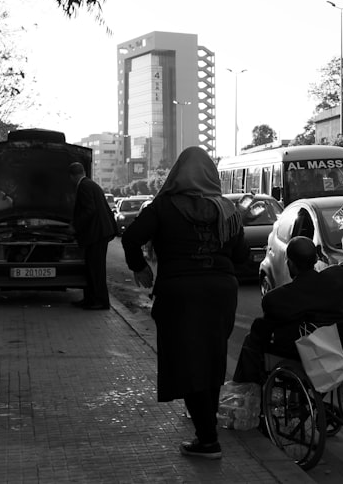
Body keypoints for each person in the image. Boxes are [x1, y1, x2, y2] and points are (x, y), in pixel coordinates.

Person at [121, 146, 248, 461]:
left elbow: (130, 238)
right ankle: (208, 432)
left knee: (188, 363)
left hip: (179, 294)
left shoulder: (162, 207)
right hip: (221, 292)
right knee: (213, 358)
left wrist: (140, 267)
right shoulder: (227, 210)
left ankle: (207, 440)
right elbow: (242, 256)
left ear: (177, 173)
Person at [231, 206, 343, 386]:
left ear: (290, 264)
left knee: (255, 336)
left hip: (306, 358)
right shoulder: (338, 278)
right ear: (316, 259)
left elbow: (264, 331)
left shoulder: (277, 299)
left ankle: (244, 390)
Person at [69, 162, 118, 310]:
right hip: (99, 233)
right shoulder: (91, 184)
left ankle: (100, 301)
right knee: (92, 268)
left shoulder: (84, 186)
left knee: (95, 269)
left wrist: (75, 226)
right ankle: (90, 299)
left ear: (72, 176)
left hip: (96, 234)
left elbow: (89, 210)